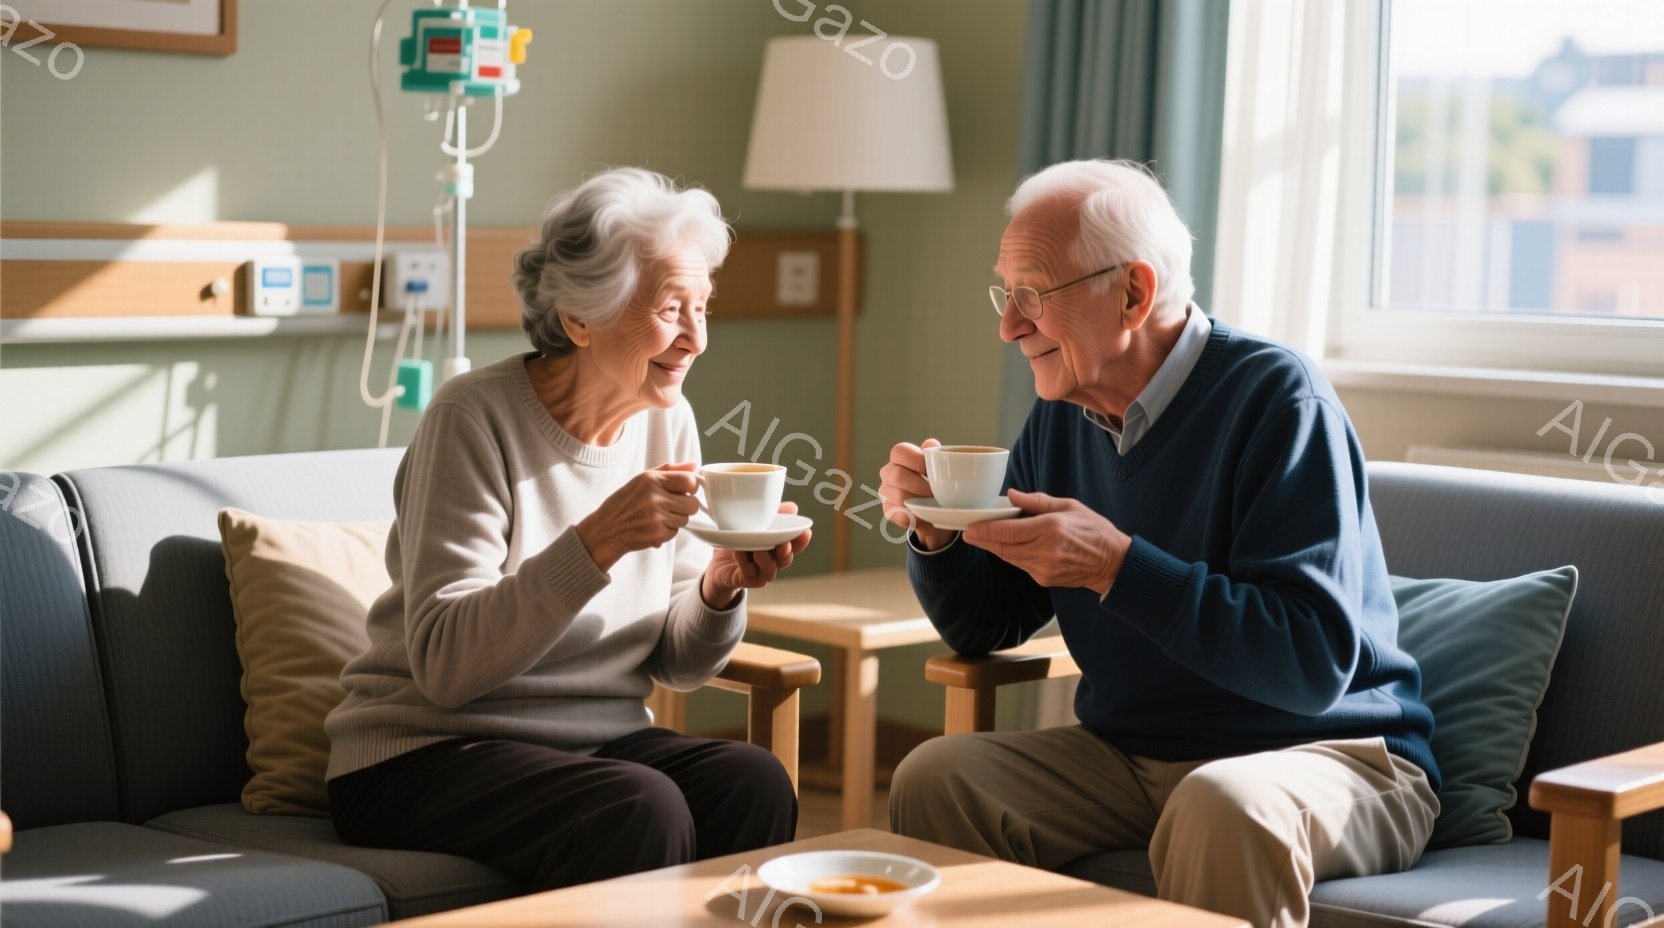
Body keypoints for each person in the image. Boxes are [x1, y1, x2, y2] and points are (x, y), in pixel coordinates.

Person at [878, 159, 1439, 928]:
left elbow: (1310, 665)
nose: (1009, 326)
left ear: (1133, 294)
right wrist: (938, 538)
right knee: (937, 776)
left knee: (1222, 802)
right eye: (1005, 296)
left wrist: (1117, 568)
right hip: (1132, 757)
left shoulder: (1279, 400)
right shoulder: (1062, 415)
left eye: (1034, 296)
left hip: (1333, 757)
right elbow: (986, 625)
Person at [325, 167, 810, 891]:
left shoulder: (668, 419)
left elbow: (677, 665)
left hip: (597, 744)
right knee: (638, 806)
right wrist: (597, 541)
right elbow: (447, 669)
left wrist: (718, 588)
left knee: (753, 780)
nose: (695, 339)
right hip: (424, 751)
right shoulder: (472, 418)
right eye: (671, 309)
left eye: (702, 308)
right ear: (581, 320)